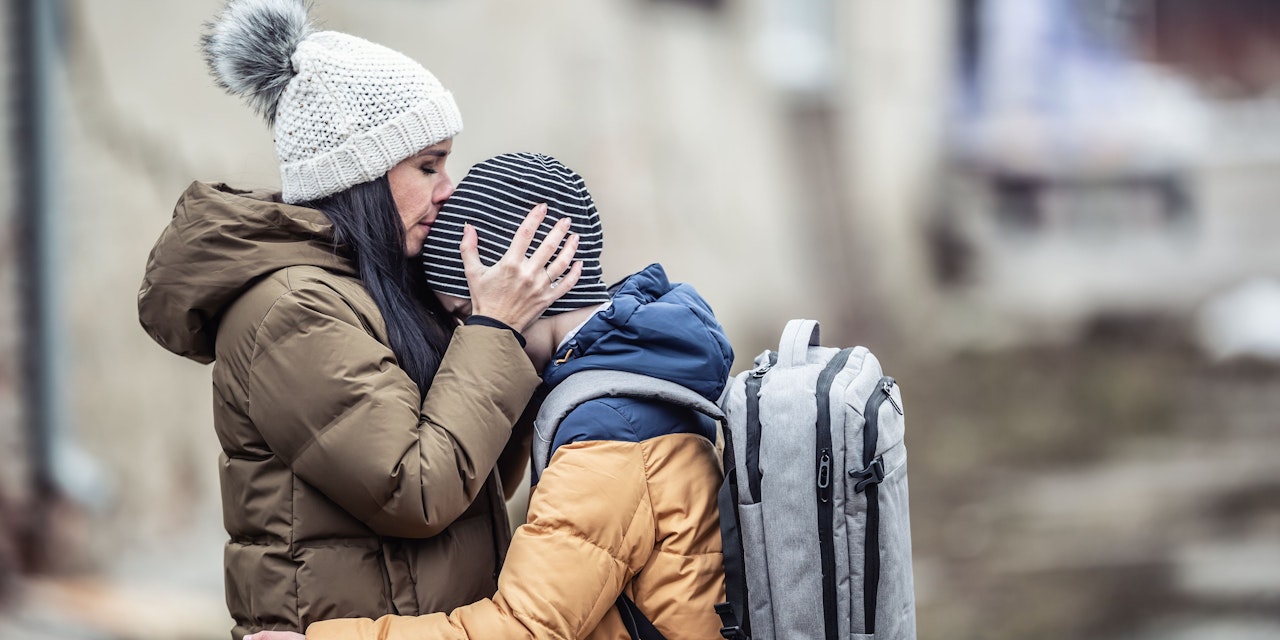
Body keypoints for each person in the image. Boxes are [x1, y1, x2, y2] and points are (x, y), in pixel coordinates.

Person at [137, 2, 581, 638]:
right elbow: (417, 491)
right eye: (427, 166)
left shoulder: (375, 291)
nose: (448, 189)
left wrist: (519, 343)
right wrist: (494, 333)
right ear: (360, 174)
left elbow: (478, 481)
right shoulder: (294, 309)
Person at [247, 152, 732, 640]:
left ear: (528, 281)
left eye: (467, 313)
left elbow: (524, 628)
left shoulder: (610, 425)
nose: (468, 335)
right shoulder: (638, 371)